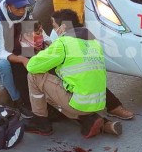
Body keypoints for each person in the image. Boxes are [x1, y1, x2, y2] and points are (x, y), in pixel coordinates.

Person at [23, 9, 133, 138]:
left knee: (34, 76)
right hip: (99, 103)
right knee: (61, 88)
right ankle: (95, 121)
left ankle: (40, 121)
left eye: (54, 27)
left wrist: (35, 54)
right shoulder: (93, 42)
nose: (54, 31)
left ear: (63, 27)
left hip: (80, 103)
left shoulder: (62, 43)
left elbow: (32, 66)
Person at [0, 0, 33, 117]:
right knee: (3, 66)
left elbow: (30, 35)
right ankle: (17, 101)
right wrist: (22, 59)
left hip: (16, 50)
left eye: (24, 7)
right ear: (8, 7)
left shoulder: (24, 13)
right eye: (18, 8)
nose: (22, 11)